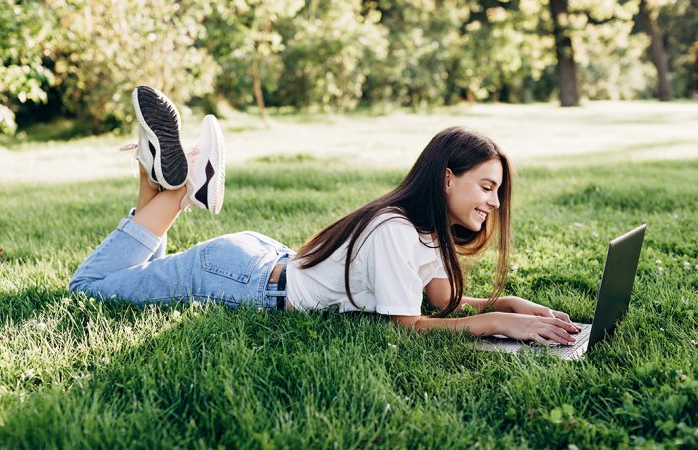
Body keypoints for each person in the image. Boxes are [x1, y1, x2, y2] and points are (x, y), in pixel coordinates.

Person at [70, 85, 582, 346]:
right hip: (243, 280)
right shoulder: (394, 229)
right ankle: (179, 187)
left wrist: (506, 304)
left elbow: (442, 301)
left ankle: (157, 171)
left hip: (257, 264)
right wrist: (493, 323)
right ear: (448, 177)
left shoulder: (424, 230)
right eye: (487, 187)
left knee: (129, 279)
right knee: (90, 289)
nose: (494, 203)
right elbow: (407, 324)